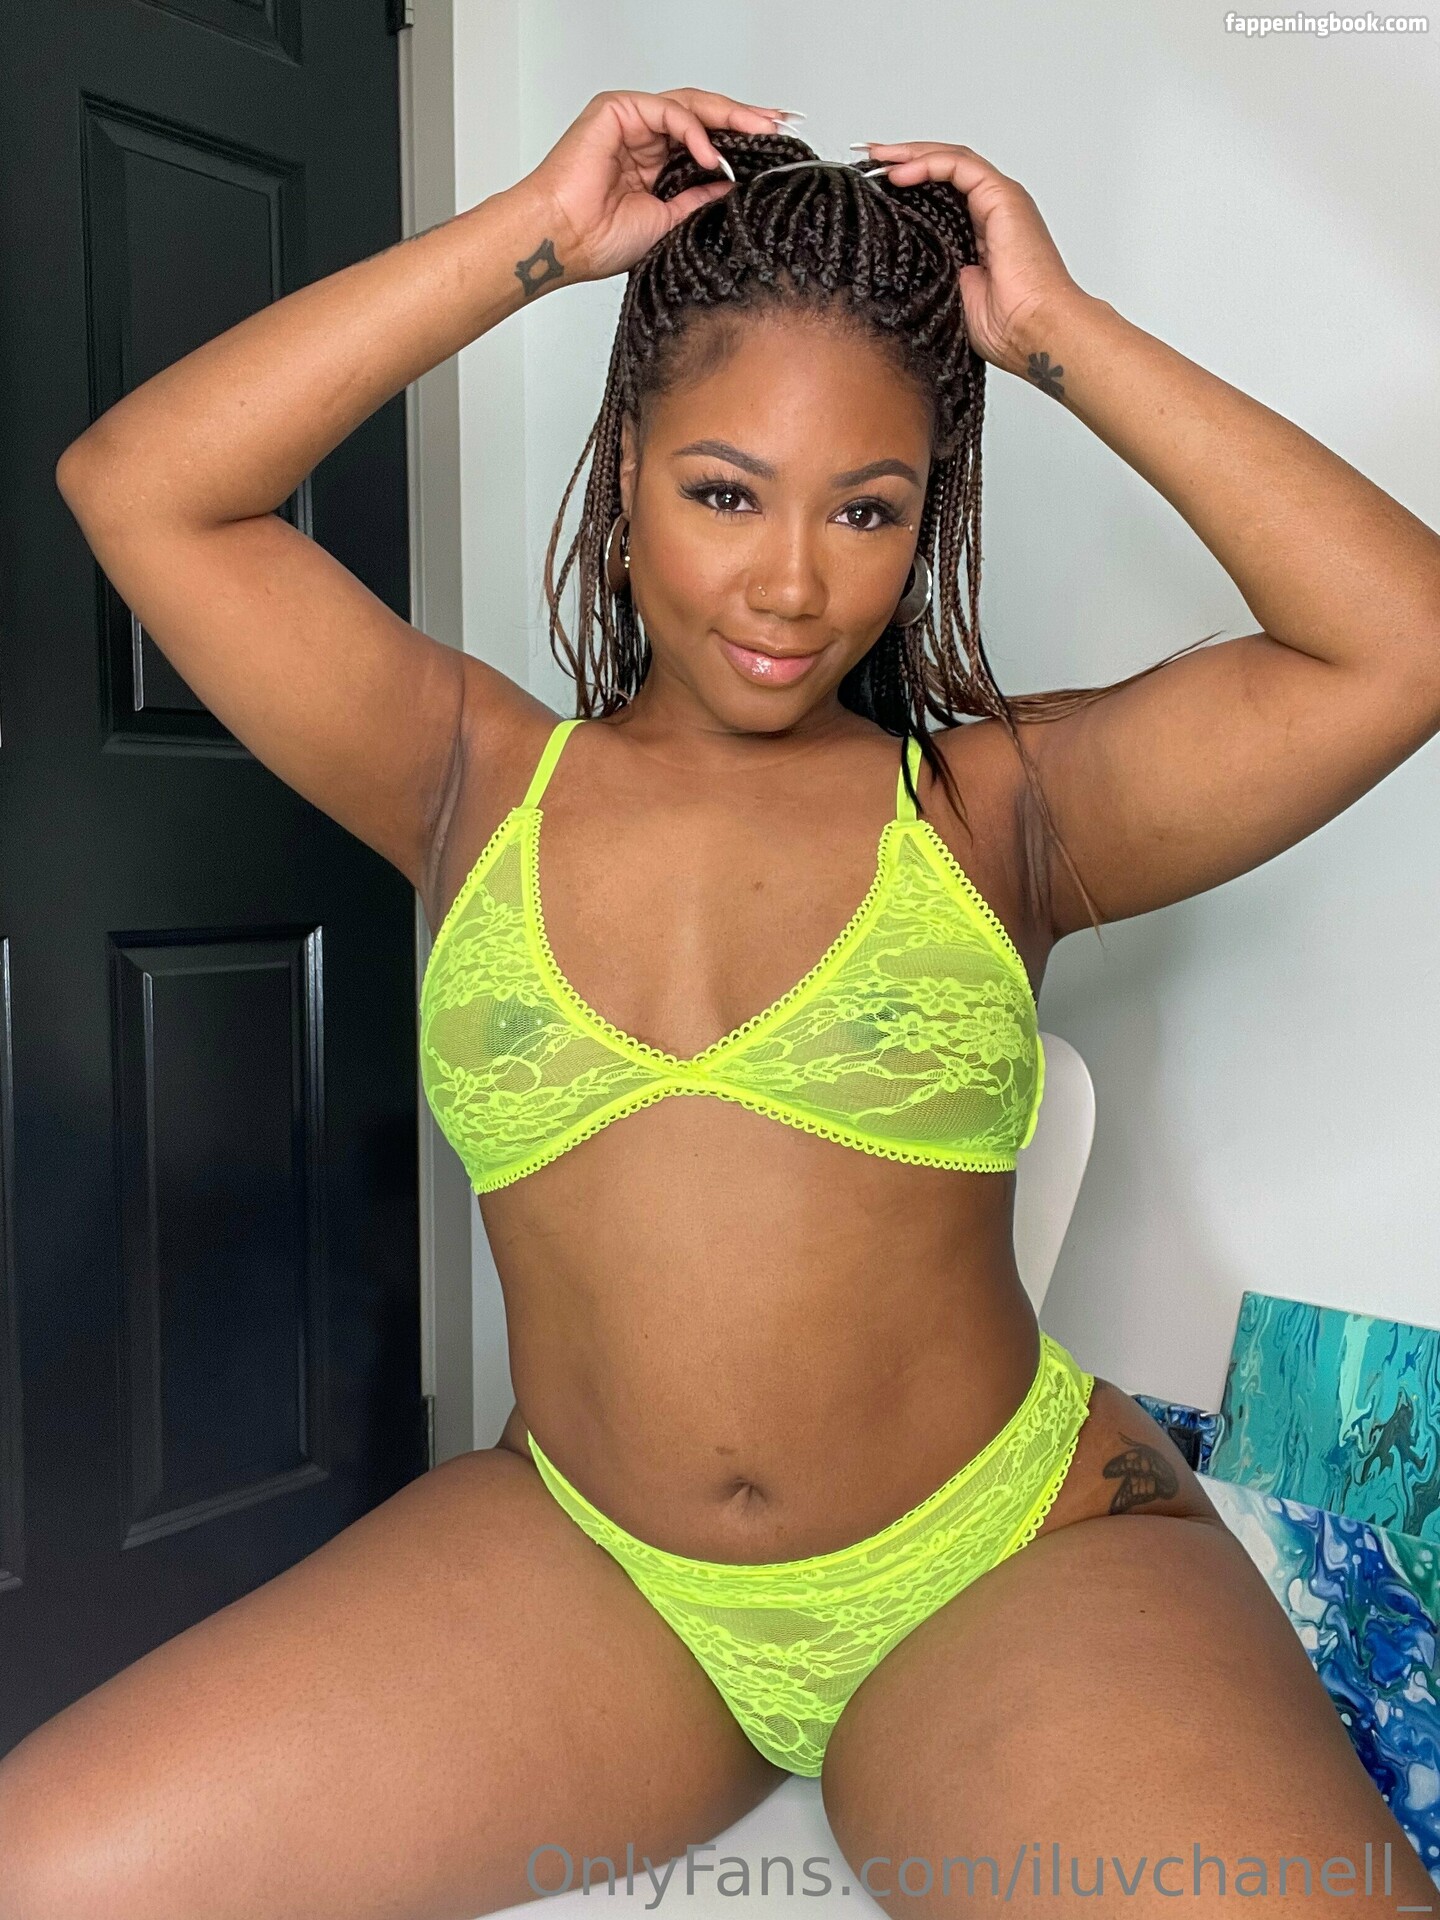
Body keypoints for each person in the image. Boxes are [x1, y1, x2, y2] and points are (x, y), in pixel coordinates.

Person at [7, 83, 1437, 1920]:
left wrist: (1053, 333)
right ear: (626, 469)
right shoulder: (465, 779)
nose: (791, 583)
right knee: (43, 1871)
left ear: (928, 515)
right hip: (601, 1580)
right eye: (723, 492)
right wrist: (535, 239)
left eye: (869, 509)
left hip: (1003, 1566)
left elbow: (1396, 637)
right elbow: (138, 486)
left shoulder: (1005, 809)